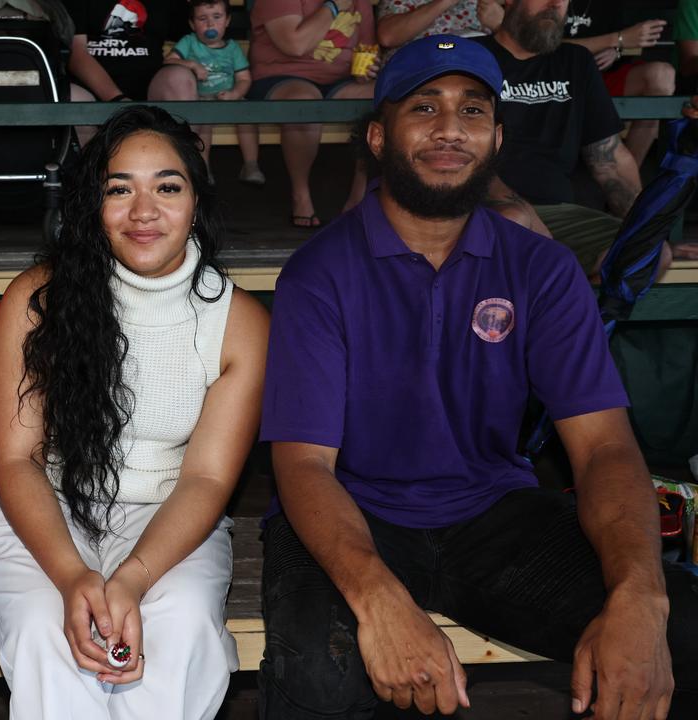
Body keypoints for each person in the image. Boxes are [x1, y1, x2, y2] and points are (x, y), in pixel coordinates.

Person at [259, 34, 698, 719]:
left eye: (471, 112)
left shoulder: (541, 269)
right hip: (354, 516)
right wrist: (380, 600)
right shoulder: (320, 273)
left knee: (681, 633)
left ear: (496, 139)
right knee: (322, 678)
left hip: (494, 513)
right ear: (378, 136)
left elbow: (605, 447)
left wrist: (641, 593)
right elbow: (305, 466)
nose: (448, 130)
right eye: (424, 108)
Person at [0, 105, 269, 719]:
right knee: (49, 630)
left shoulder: (238, 321)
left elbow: (207, 478)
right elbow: (16, 458)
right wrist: (75, 576)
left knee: (181, 628)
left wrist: (130, 578)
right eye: (119, 189)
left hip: (170, 510)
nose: (144, 211)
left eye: (167, 187)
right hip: (40, 502)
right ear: (91, 204)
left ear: (196, 200)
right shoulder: (38, 297)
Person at [475, 0, 670, 276]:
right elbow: (468, 160)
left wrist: (648, 227)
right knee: (517, 226)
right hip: (490, 208)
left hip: (563, 214)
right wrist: (524, 213)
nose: (555, 4)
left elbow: (610, 159)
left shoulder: (576, 61)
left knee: (650, 253)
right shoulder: (474, 58)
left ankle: (585, 317)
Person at [247, 0, 380, 228]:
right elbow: (295, 44)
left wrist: (368, 68)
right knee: (305, 103)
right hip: (281, 76)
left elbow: (366, 47)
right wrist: (334, 5)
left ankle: (360, 194)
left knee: (384, 99)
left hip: (340, 80)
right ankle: (301, 195)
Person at [564, 0, 674, 166]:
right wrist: (616, 40)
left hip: (601, 77)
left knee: (662, 76)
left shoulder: (611, 4)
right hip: (555, 80)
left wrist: (616, 50)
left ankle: (629, 177)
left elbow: (627, 41)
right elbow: (545, 48)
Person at [162, 0, 258, 181]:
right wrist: (191, 64)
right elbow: (169, 61)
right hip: (201, 98)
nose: (210, 24)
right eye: (202, 18)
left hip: (228, 99)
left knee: (248, 114)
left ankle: (251, 165)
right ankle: (204, 168)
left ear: (228, 20)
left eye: (217, 17)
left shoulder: (232, 48)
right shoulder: (189, 42)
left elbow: (244, 78)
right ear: (192, 24)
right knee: (203, 120)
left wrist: (235, 94)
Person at [376, 0, 503, 50]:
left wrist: (499, 26)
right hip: (419, 72)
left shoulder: (488, 4)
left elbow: (519, 55)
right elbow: (388, 37)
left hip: (478, 72)